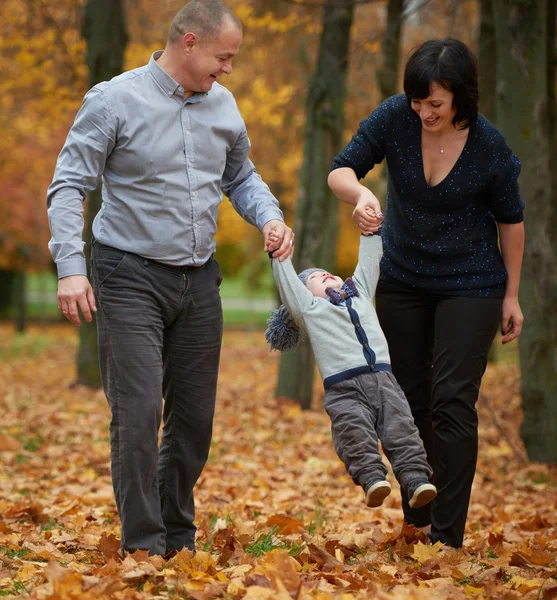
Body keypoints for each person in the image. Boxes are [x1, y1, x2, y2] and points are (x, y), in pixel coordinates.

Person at [47, 0, 294, 557]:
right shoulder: (114, 100)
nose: (228, 69)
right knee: (136, 415)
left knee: (194, 421)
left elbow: (242, 176)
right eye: (222, 57)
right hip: (127, 273)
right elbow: (69, 186)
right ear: (188, 42)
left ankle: (178, 537)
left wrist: (270, 215)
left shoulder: (224, 106)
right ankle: (143, 545)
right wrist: (70, 269)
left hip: (198, 280)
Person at [327, 38, 525, 548]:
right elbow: (340, 169)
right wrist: (362, 193)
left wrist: (512, 295)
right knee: (407, 400)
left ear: (461, 96)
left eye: (435, 103)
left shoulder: (488, 145)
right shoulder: (396, 117)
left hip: (473, 283)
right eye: (417, 101)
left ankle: (447, 536)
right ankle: (418, 521)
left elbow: (511, 222)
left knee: (452, 401)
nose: (424, 111)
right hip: (403, 279)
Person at [265, 223, 437, 511]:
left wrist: (370, 231)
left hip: (385, 381)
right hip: (344, 390)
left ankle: (416, 479)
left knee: (402, 429)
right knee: (354, 434)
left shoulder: (360, 294)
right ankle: (372, 480)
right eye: (317, 278)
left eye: (327, 272)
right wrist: (278, 254)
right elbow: (290, 288)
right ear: (307, 295)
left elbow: (370, 263)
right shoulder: (311, 310)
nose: (326, 274)